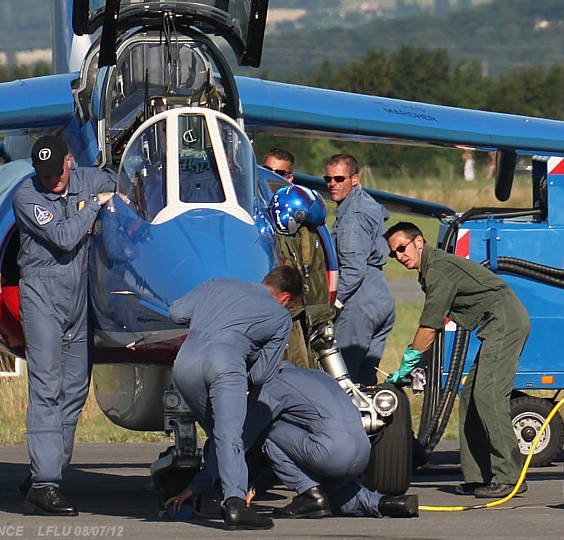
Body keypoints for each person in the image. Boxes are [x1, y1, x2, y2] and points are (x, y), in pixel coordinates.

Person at [383, 221, 531, 499]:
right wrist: (415, 361)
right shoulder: (430, 270)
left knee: (488, 395)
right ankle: (480, 476)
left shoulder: (437, 270)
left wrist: (410, 361)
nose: (400, 256)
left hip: (505, 321)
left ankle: (510, 476)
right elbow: (433, 327)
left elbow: (429, 326)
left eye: (402, 248)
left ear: (419, 242)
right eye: (394, 253)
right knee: (471, 396)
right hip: (497, 324)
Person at [167, 361, 418, 520]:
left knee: (263, 429)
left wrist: (194, 488)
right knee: (334, 497)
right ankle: (387, 503)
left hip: (329, 452)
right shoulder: (310, 375)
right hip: (362, 453)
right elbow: (287, 456)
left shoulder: (271, 388)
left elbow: (236, 442)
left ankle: (310, 494)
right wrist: (256, 488)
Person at [11, 134, 116, 516]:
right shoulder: (27, 196)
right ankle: (44, 486)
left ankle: (50, 468)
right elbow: (65, 235)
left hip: (78, 299)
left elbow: (122, 186)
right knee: (46, 387)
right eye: (45, 174)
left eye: (57, 172)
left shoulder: (89, 178)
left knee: (74, 388)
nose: (52, 181)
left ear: (69, 161)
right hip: (42, 297)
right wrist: (90, 207)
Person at [169, 266, 303, 531]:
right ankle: (234, 503)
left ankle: (214, 490)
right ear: (286, 298)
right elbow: (260, 375)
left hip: (185, 363)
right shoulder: (280, 316)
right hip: (225, 362)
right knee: (230, 435)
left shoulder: (217, 283)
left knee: (217, 434)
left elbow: (176, 312)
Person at [324, 153, 394, 385]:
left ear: (354, 179)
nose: (332, 184)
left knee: (343, 378)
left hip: (360, 300)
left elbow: (353, 269)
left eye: (339, 179)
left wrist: (333, 302)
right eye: (328, 179)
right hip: (381, 296)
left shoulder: (352, 217)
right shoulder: (367, 204)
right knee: (366, 378)